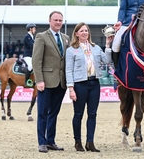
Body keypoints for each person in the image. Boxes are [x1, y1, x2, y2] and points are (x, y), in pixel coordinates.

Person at [65, 22, 112, 152]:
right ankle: (78, 142)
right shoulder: (71, 50)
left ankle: (90, 142)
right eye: (81, 31)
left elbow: (107, 61)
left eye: (86, 30)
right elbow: (68, 70)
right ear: (76, 33)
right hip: (80, 84)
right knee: (78, 114)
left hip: (94, 83)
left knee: (92, 114)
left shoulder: (96, 48)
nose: (84, 33)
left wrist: (107, 45)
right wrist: (71, 88)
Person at [32, 11, 70, 153]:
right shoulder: (41, 37)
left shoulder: (66, 38)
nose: (58, 22)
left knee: (54, 113)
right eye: (55, 20)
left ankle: (50, 141)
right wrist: (39, 80)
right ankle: (41, 142)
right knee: (42, 112)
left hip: (61, 83)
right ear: (49, 21)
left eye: (60, 20)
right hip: (46, 82)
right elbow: (36, 60)